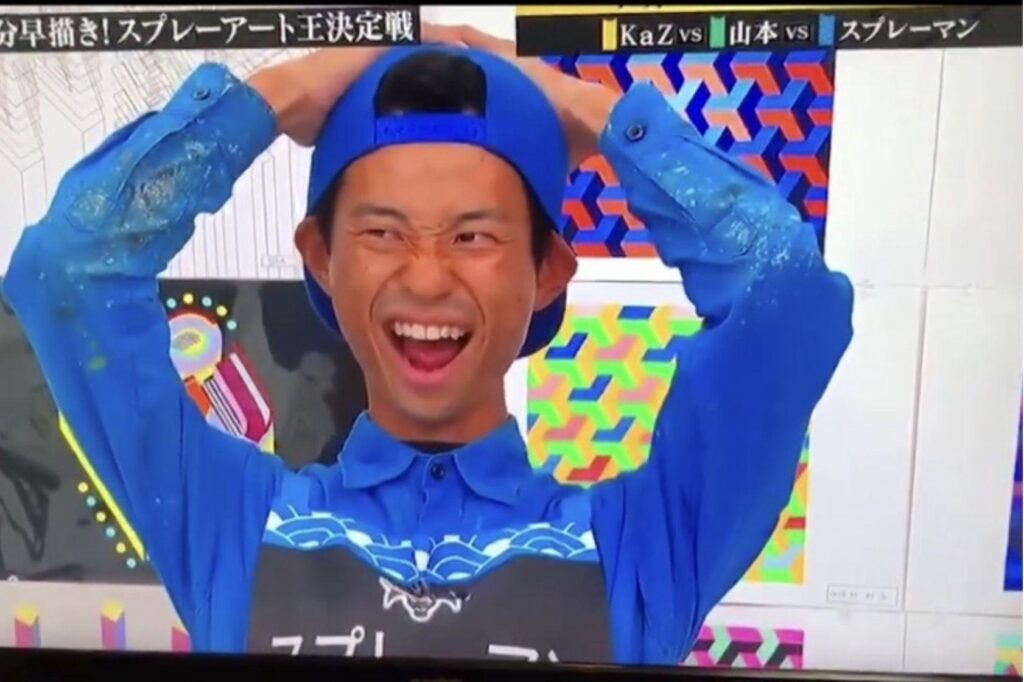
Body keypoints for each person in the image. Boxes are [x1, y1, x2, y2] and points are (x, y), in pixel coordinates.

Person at [1, 24, 853, 665]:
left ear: (548, 270)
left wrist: (592, 113)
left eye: (474, 237)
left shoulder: (644, 544)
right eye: (382, 233)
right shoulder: (229, 519)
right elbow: (65, 272)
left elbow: (787, 299)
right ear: (321, 258)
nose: (427, 279)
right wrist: (269, 100)